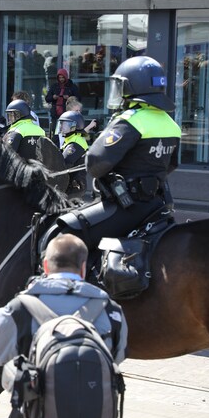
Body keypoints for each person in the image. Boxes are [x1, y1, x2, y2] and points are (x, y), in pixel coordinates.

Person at [0, 234, 127, 418]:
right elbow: (118, 355)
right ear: (83, 269)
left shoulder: (21, 308)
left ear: (45, 266)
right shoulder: (110, 310)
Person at [50, 56, 182, 276]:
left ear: (132, 87)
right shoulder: (171, 123)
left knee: (65, 235)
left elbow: (94, 164)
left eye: (120, 86)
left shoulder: (130, 120)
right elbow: (172, 164)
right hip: (158, 206)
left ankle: (78, 288)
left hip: (125, 206)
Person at [57, 110, 89, 197]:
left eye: (64, 124)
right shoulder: (71, 139)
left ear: (75, 126)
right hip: (71, 185)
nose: (61, 127)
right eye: (61, 124)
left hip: (74, 187)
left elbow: (64, 164)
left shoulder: (75, 143)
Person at [46, 68, 80, 138]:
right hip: (55, 113)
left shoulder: (72, 87)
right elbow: (47, 99)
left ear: (66, 77)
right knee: (55, 132)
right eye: (60, 78)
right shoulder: (54, 86)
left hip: (67, 114)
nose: (61, 79)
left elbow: (78, 98)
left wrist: (69, 98)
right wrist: (53, 97)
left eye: (63, 77)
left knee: (66, 132)